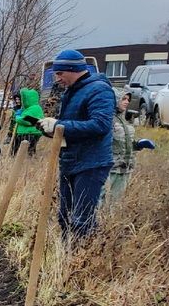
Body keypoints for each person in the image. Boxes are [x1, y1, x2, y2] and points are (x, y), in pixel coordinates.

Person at [37, 50, 116, 240]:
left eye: (60, 73)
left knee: (81, 219)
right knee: (65, 216)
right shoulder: (73, 91)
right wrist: (51, 130)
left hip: (91, 163)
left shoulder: (99, 90)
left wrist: (59, 125)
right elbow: (74, 126)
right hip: (71, 159)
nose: (57, 78)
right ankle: (65, 258)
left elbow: (100, 125)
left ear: (73, 70)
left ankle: (80, 263)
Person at [106, 91, 156, 204]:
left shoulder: (124, 120)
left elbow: (124, 142)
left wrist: (138, 145)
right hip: (111, 168)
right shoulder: (107, 119)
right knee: (105, 201)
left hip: (125, 167)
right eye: (123, 99)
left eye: (128, 99)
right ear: (115, 100)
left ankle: (113, 220)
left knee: (117, 202)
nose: (126, 102)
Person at [11, 88, 44, 157]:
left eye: (22, 99)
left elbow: (26, 120)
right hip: (28, 133)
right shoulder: (31, 108)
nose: (19, 101)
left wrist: (18, 116)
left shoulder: (34, 108)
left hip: (29, 133)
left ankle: (26, 165)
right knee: (27, 151)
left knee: (26, 152)